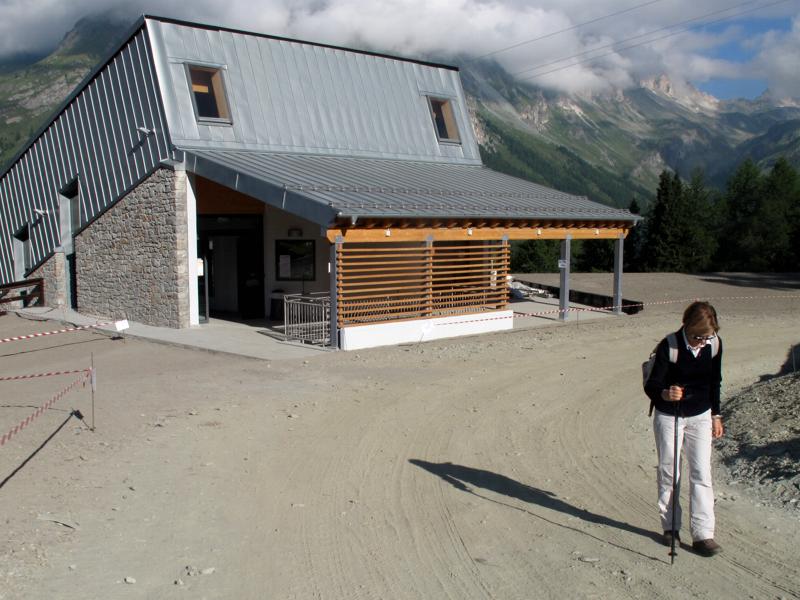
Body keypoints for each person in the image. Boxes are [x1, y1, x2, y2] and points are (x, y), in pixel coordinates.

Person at [644, 301, 724, 557]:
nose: (702, 342)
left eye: (707, 337)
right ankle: (671, 528)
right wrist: (665, 393)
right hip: (670, 416)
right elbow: (652, 384)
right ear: (687, 327)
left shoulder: (714, 344)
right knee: (670, 471)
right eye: (698, 337)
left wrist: (716, 415)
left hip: (701, 415)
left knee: (702, 473)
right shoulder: (670, 345)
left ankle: (703, 535)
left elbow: (715, 381)